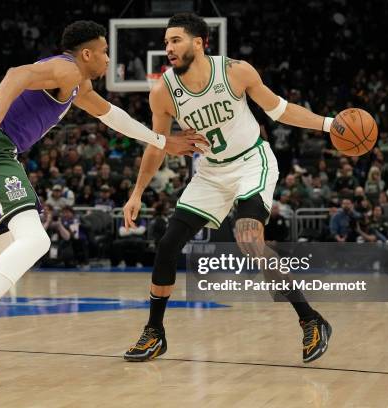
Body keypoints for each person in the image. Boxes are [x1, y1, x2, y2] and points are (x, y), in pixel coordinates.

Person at [0, 20, 208, 385]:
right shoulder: (66, 68)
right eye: (104, 52)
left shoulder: (78, 86)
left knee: (6, 247)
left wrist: (163, 141)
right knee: (36, 240)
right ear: (87, 53)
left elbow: (112, 117)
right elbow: (17, 73)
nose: (107, 59)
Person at [123, 13, 333, 364]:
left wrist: (328, 123)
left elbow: (279, 111)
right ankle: (154, 333)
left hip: (251, 161)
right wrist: (136, 193)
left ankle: (311, 319)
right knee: (167, 244)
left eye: (175, 40)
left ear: (200, 42)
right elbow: (158, 144)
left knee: (249, 238)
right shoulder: (163, 92)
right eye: (165, 43)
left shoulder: (235, 71)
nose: (168, 48)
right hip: (210, 172)